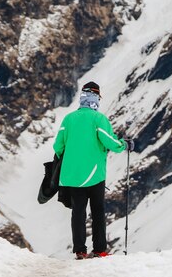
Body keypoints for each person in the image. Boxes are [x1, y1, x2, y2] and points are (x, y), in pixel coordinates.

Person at [53, 81, 134, 260]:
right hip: (94, 174)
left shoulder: (69, 119)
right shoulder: (98, 119)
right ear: (96, 98)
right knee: (97, 210)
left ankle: (80, 251)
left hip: (72, 175)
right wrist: (125, 144)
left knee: (78, 212)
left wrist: (70, 158)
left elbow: (58, 146)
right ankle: (99, 250)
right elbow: (109, 142)